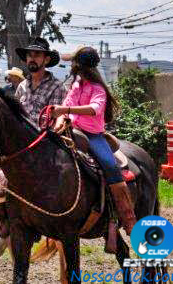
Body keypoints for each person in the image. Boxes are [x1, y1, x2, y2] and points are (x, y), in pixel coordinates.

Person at [50, 46, 136, 235]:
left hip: (92, 136)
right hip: (70, 130)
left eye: (73, 62)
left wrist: (65, 111)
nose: (71, 66)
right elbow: (66, 105)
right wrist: (59, 120)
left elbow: (94, 109)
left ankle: (127, 216)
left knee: (110, 166)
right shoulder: (76, 86)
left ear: (79, 65)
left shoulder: (98, 88)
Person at [15, 37, 67, 124]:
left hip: (42, 132)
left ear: (46, 60)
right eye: (29, 55)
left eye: (37, 55)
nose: (32, 59)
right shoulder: (22, 86)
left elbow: (54, 121)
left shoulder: (57, 87)